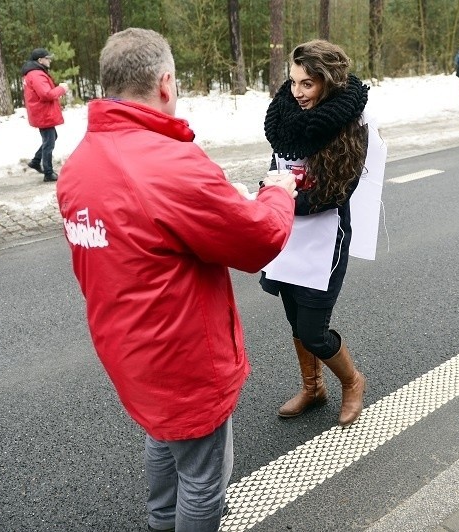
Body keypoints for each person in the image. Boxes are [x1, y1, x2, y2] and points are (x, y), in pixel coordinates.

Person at [56, 28, 296, 532]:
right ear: (166, 83)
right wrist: (279, 190)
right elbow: (258, 240)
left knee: (163, 439)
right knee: (205, 481)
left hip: (127, 346)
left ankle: (160, 521)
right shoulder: (167, 164)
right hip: (183, 358)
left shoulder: (80, 161)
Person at [262, 39, 385, 428]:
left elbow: (336, 192)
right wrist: (268, 192)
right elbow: (277, 167)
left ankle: (352, 381)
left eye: (307, 85)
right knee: (295, 321)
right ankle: (313, 388)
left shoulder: (351, 124)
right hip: (287, 234)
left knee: (313, 330)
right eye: (294, 82)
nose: (297, 92)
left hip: (325, 237)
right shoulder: (285, 115)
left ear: (328, 82)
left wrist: (280, 198)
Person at [22, 48, 69, 182]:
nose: (50, 60)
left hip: (40, 112)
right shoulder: (36, 74)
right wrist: (62, 89)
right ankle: (48, 172)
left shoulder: (33, 73)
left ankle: (36, 161)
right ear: (40, 60)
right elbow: (46, 94)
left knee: (52, 137)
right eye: (47, 58)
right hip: (43, 113)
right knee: (49, 141)